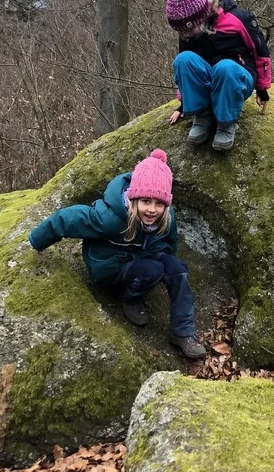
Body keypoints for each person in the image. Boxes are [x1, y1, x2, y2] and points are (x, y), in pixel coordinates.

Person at [27, 149, 206, 359]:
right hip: (111, 269)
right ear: (134, 199)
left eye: (159, 204)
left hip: (143, 259)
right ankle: (130, 299)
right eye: (146, 201)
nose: (152, 209)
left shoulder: (167, 219)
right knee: (152, 269)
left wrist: (170, 267)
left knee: (177, 270)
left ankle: (183, 332)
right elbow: (67, 219)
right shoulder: (109, 217)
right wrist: (37, 240)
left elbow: (170, 243)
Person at [164, 0, 272, 151]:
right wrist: (183, 106)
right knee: (182, 60)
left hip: (237, 75)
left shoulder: (239, 19)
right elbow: (187, 70)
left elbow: (260, 53)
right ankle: (203, 114)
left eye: (191, 30)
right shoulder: (187, 30)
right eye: (183, 33)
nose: (187, 36)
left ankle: (226, 122)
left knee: (225, 68)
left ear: (202, 14)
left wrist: (262, 89)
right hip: (210, 79)